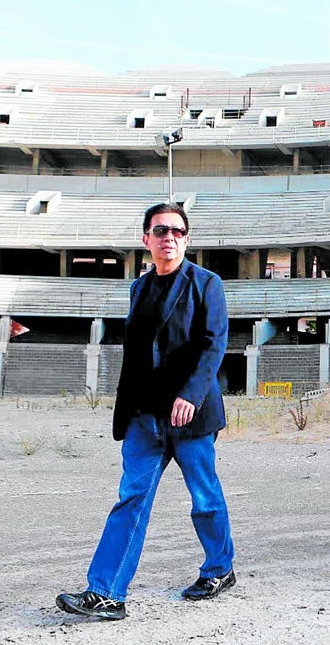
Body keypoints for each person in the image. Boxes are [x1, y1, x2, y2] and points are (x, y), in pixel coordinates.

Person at [56, 202, 235, 621]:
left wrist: (189, 394)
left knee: (205, 498)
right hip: (145, 418)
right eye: (159, 231)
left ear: (186, 240)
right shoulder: (138, 288)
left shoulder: (206, 284)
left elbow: (214, 344)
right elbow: (136, 355)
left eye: (176, 231)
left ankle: (219, 568)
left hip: (191, 416)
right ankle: (106, 593)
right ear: (146, 240)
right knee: (131, 499)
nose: (167, 237)